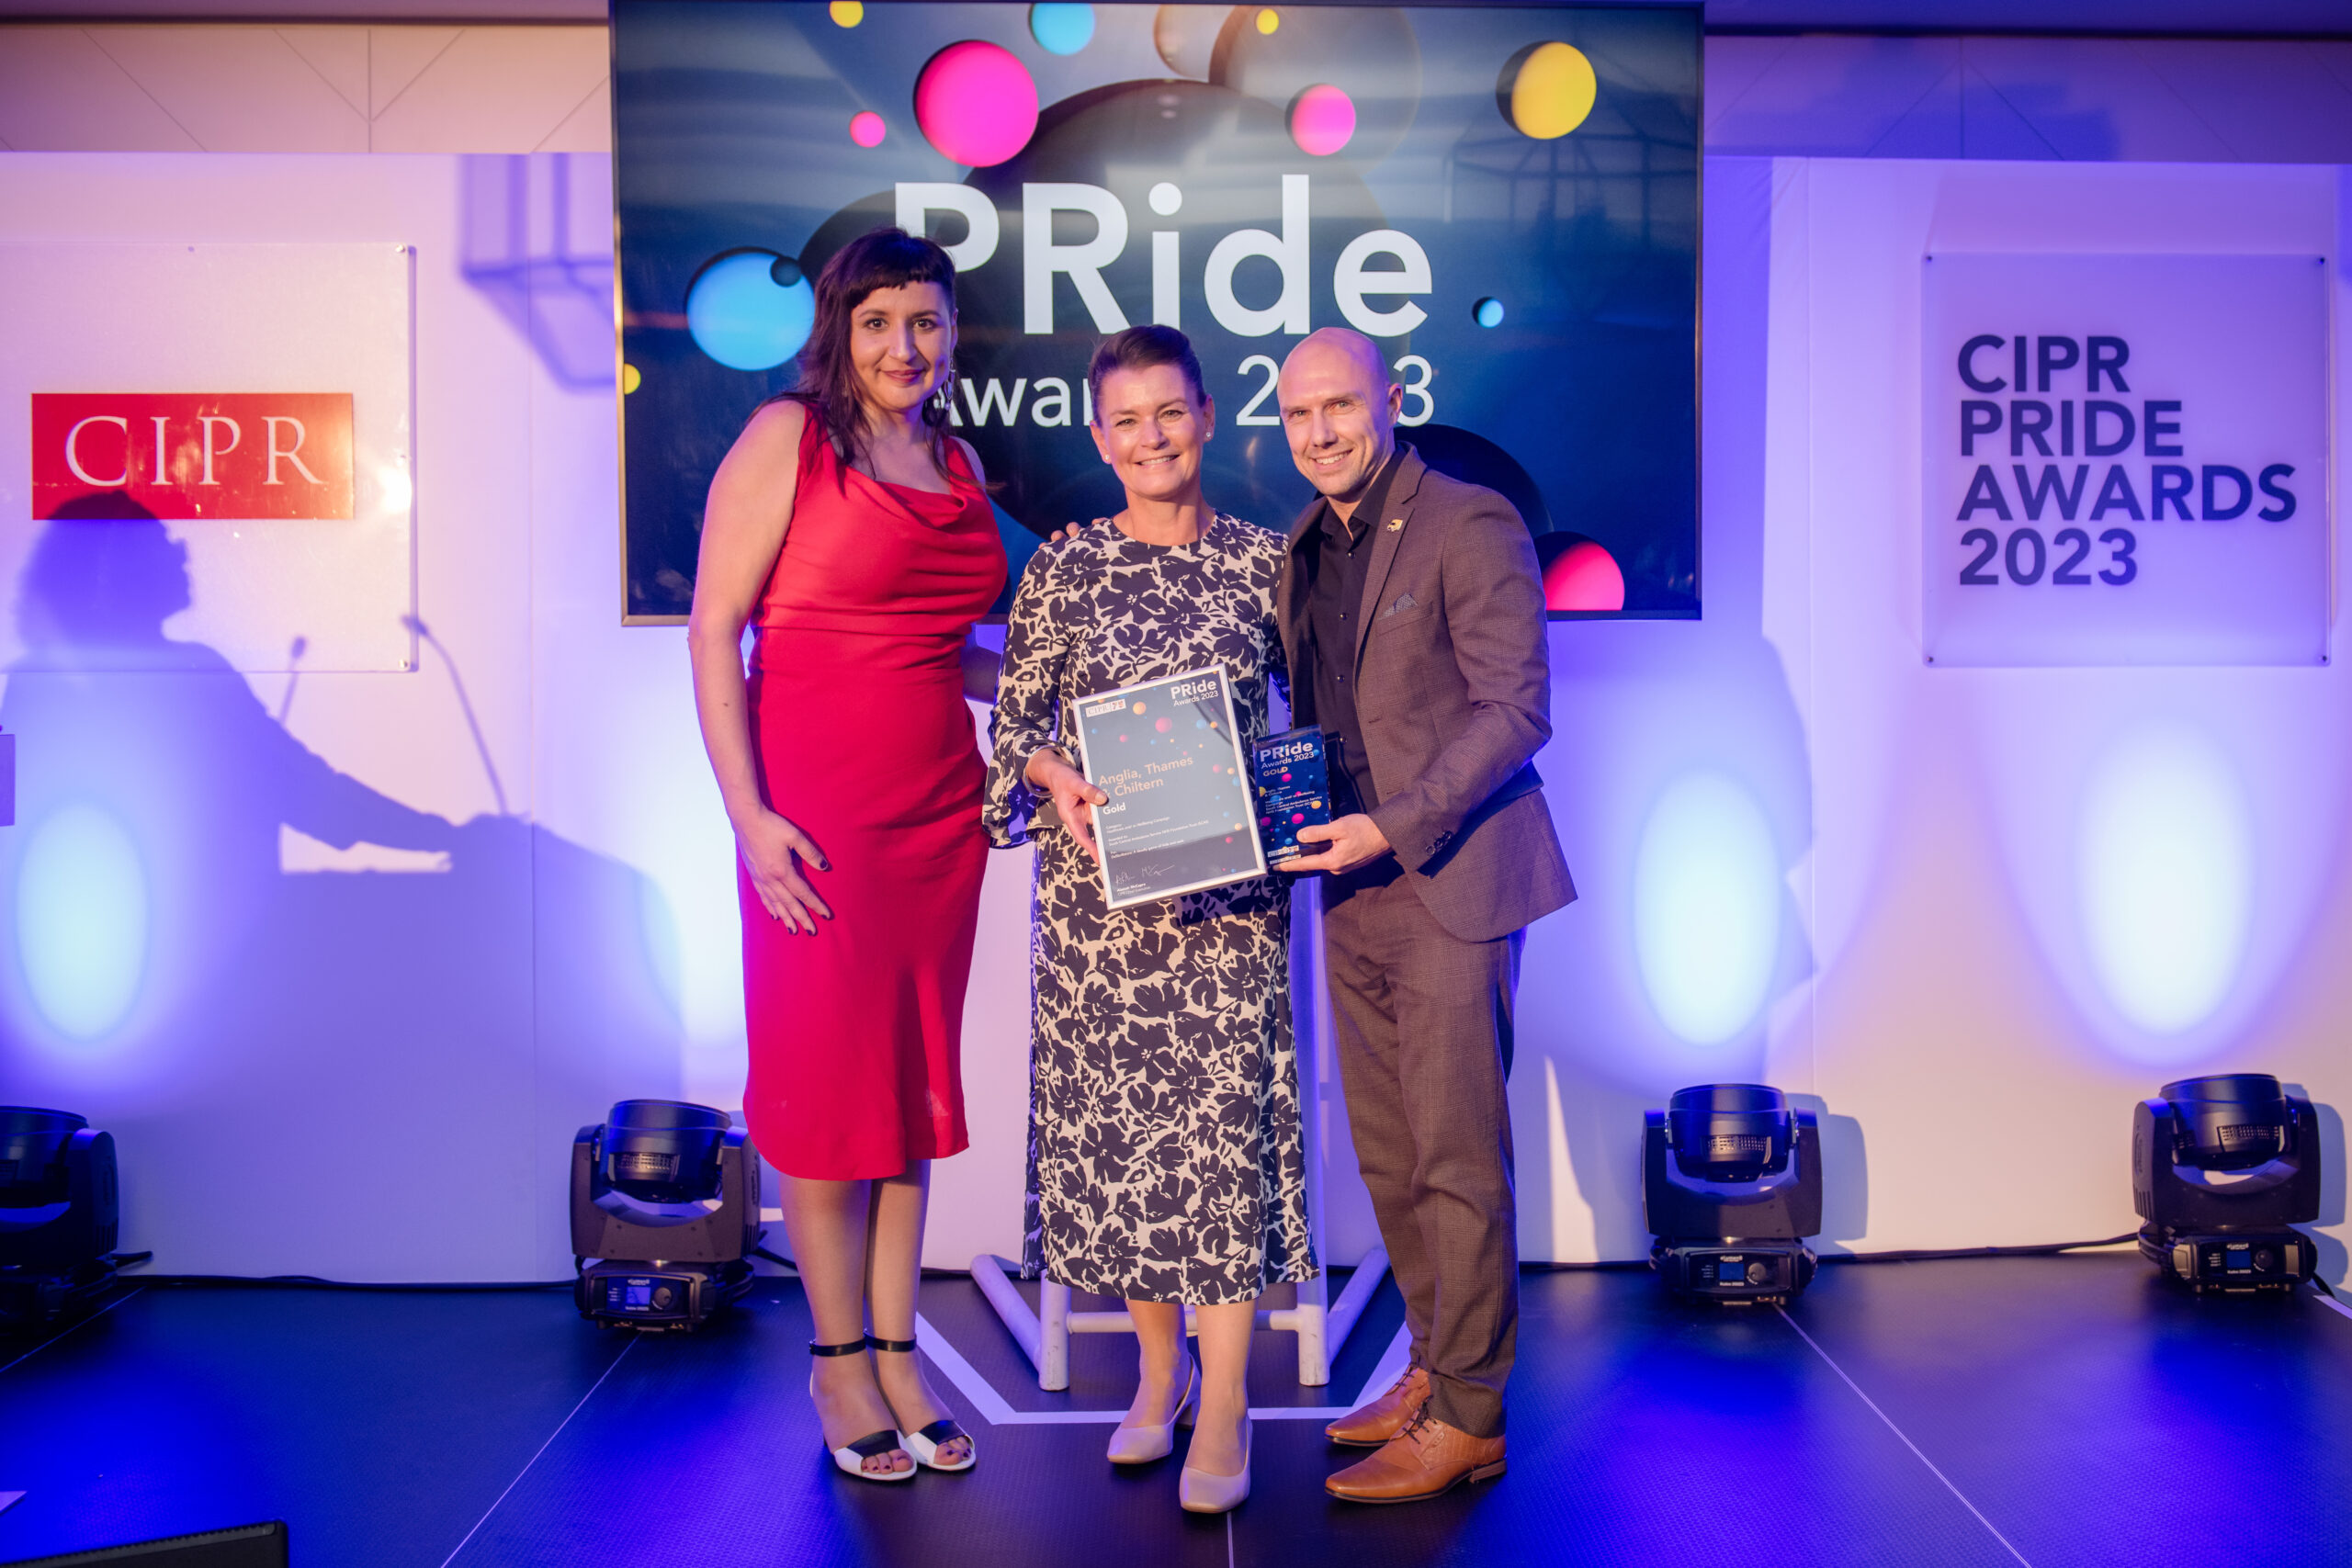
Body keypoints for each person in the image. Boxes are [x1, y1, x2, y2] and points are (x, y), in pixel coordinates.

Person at [687, 228, 1002, 1483]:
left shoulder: (960, 461)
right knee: (828, 1107)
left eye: (924, 321)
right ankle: (835, 1362)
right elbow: (716, 632)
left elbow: (958, 652)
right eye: (878, 322)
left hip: (939, 818)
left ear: (952, 333)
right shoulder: (788, 441)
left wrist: (1045, 725)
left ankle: (898, 1351)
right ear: (840, 328)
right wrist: (747, 816)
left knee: (908, 1094)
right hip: (814, 821)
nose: (903, 346)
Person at [985, 324, 1315, 1516]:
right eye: (1126, 419)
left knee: (1220, 1146)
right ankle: (1159, 1372)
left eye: (1169, 411)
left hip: (1227, 908)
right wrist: (1050, 777)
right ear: (1099, 435)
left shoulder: (1265, 565)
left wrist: (1289, 813)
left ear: (1208, 416)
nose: (1151, 436)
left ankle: (1225, 1401)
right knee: (1129, 1153)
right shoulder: (1065, 566)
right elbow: (1015, 727)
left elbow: (1308, 728)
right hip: (1100, 919)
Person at [1272, 326, 1575, 1504]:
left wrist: (1392, 825)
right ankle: (1432, 1366)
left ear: (1391, 401)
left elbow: (1515, 709)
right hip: (1344, 883)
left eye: (1339, 407)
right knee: (1391, 1156)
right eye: (1299, 416)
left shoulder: (1467, 516)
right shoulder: (1305, 543)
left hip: (1451, 876)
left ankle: (1471, 1414)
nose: (1320, 434)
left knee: (1455, 1155)